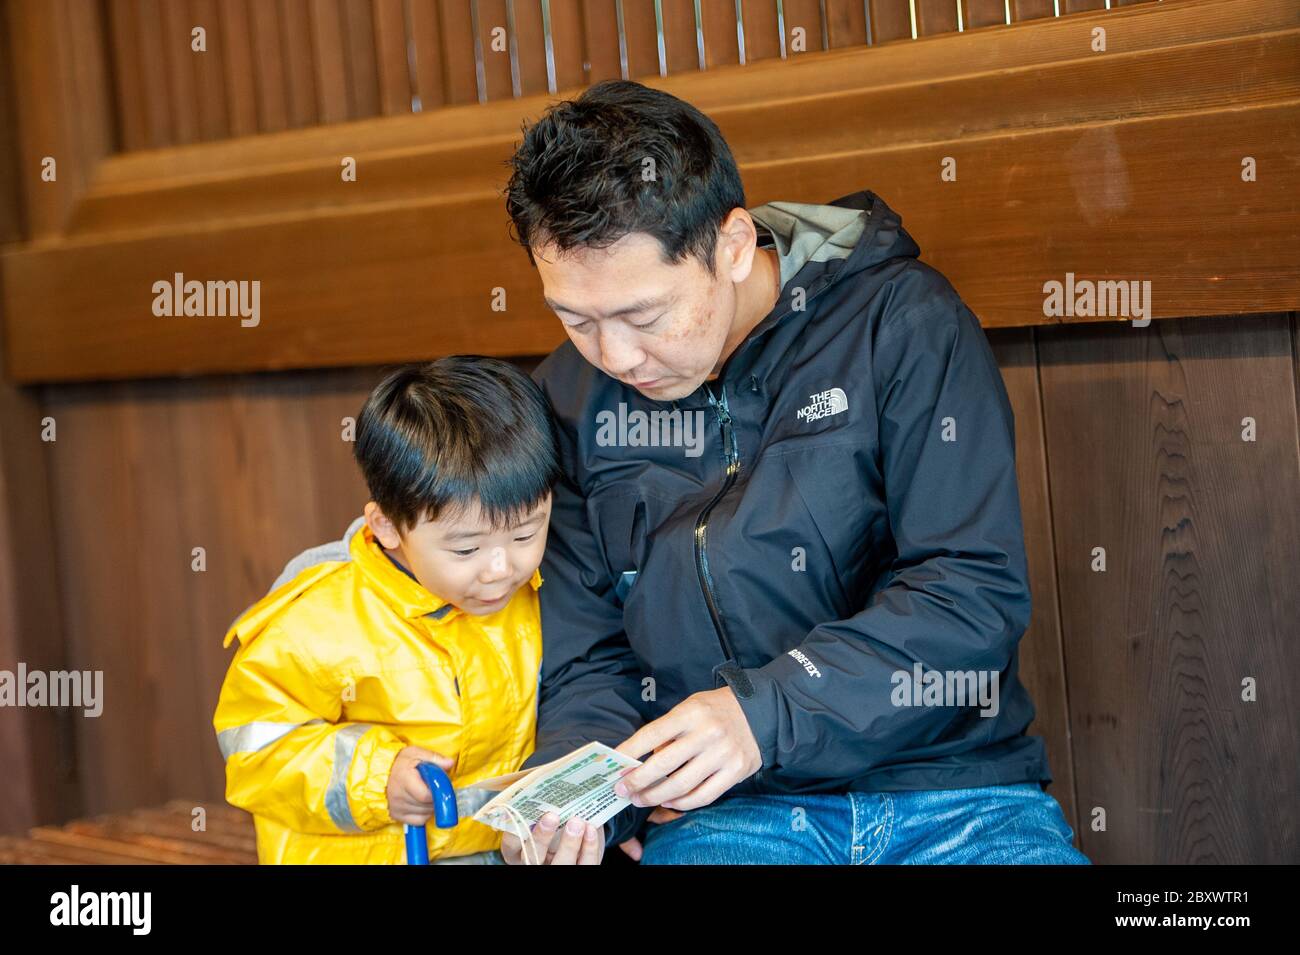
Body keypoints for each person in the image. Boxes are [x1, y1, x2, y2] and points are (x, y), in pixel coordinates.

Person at [499, 79, 1090, 864]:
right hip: (729, 814)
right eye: (575, 320)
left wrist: (762, 715)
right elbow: (590, 657)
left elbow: (969, 591)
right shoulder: (570, 404)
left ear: (734, 245)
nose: (615, 357)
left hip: (954, 792)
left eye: (643, 316)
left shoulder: (901, 322)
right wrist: (577, 803)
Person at [212, 357, 602, 864]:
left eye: (527, 533)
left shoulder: (540, 591)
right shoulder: (319, 620)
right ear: (388, 526)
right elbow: (256, 750)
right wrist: (376, 780)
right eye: (466, 550)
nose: (501, 568)